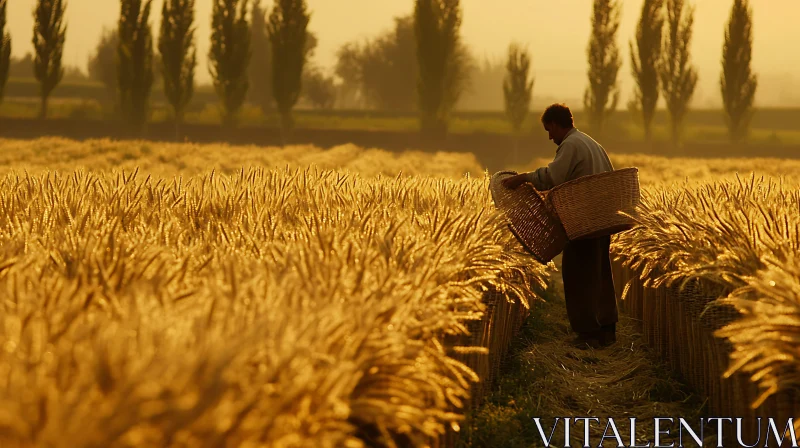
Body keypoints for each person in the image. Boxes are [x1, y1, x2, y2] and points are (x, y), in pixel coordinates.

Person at [502, 103, 618, 348]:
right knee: (600, 275)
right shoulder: (591, 143)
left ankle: (588, 335)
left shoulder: (570, 145)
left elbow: (552, 177)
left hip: (582, 223)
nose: (549, 136)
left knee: (577, 276)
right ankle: (607, 329)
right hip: (603, 219)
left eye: (549, 130)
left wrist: (524, 178)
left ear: (556, 124)